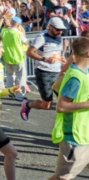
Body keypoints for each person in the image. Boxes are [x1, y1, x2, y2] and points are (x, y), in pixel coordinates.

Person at [48, 36, 89, 180]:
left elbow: (55, 86)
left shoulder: (84, 71)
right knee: (63, 177)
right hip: (74, 137)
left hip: (85, 133)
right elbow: (62, 107)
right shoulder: (75, 77)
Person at [22, 16, 66, 121]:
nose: (60, 32)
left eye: (62, 30)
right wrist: (45, 59)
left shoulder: (59, 36)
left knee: (65, 100)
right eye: (57, 29)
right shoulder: (42, 37)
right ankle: (27, 105)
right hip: (44, 72)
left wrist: (62, 58)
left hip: (57, 72)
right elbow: (29, 53)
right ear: (50, 27)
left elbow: (56, 51)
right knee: (47, 105)